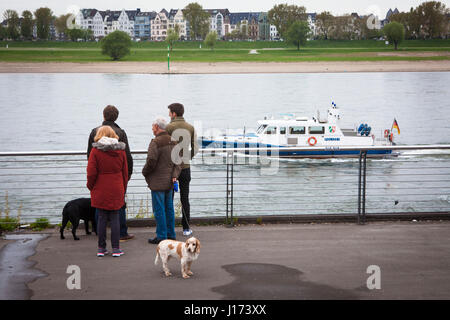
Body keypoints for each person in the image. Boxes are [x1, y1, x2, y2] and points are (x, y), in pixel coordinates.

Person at [88, 105, 134, 242]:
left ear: (103, 115)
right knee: (119, 204)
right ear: (116, 117)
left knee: (98, 205)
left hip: (99, 177)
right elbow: (127, 156)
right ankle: (122, 232)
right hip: (117, 177)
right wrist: (128, 175)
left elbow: (89, 155)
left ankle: (99, 232)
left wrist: (91, 179)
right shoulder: (121, 132)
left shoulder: (94, 132)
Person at [87, 125, 128, 257]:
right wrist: (123, 188)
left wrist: (90, 186)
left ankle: (101, 248)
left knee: (102, 218)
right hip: (117, 187)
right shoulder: (121, 151)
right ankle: (116, 249)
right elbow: (125, 172)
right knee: (115, 218)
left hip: (100, 187)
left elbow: (91, 172)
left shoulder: (95, 151)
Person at [142, 118, 181, 244]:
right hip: (170, 180)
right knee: (169, 208)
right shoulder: (174, 141)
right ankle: (171, 234)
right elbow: (178, 162)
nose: (152, 129)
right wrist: (174, 175)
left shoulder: (155, 142)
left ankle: (161, 236)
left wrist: (145, 172)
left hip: (157, 181)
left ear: (157, 127)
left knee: (159, 210)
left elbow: (151, 161)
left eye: (153, 127)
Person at [166, 103, 198, 236]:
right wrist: (186, 158)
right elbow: (195, 148)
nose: (168, 114)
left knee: (169, 199)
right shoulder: (190, 127)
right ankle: (186, 228)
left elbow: (165, 148)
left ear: (174, 114)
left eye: (169, 112)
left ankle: (169, 228)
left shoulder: (168, 127)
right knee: (185, 198)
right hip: (185, 167)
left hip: (171, 168)